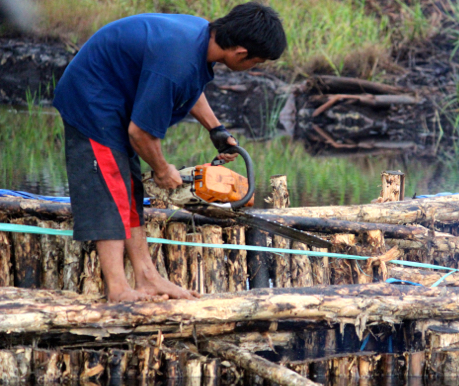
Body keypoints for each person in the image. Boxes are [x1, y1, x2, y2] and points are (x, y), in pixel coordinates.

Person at [53, 3, 287, 303]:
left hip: (114, 99)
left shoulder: (200, 39)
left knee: (129, 190)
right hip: (91, 100)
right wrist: (164, 170)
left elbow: (188, 87)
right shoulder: (179, 59)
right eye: (256, 62)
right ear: (241, 53)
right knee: (111, 190)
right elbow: (141, 133)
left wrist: (216, 129)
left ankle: (147, 277)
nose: (253, 68)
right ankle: (118, 289)